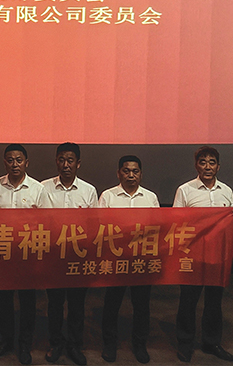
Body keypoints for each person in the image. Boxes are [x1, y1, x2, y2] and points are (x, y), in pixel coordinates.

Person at [173, 146, 233, 363]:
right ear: (196, 166)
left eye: (212, 162)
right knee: (188, 301)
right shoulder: (185, 190)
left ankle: (211, 342)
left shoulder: (226, 190)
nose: (207, 167)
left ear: (218, 166)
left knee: (214, 302)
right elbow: (175, 221)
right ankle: (185, 342)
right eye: (203, 162)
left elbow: (232, 214)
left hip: (217, 256)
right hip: (192, 255)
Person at [38, 142, 98, 366]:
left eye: (70, 160)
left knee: (76, 304)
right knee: (54, 303)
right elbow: (40, 221)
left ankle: (74, 344)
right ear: (56, 161)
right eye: (62, 160)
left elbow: (94, 226)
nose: (66, 164)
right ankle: (55, 343)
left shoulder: (88, 190)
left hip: (78, 257)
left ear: (78, 163)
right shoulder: (43, 188)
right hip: (53, 256)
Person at [96, 155, 159, 364]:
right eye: (126, 170)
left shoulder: (150, 197)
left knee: (141, 305)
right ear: (118, 173)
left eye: (135, 171)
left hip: (142, 259)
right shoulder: (108, 196)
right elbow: (100, 227)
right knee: (111, 304)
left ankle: (140, 344)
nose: (131, 175)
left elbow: (158, 227)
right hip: (116, 260)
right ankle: (109, 344)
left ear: (141, 174)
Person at [0, 144, 42, 366]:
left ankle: (25, 344)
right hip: (4, 252)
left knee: (28, 301)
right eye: (10, 160)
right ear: (4, 162)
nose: (14, 164)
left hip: (28, 253)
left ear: (26, 163)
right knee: (5, 301)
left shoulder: (37, 188)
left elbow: (45, 222)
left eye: (19, 160)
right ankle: (6, 341)